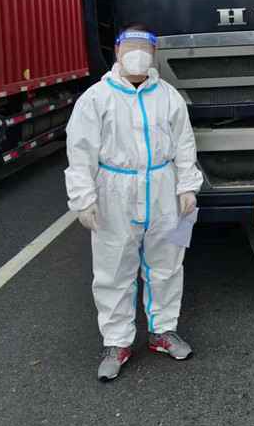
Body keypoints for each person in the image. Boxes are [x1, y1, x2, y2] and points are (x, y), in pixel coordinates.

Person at [65, 24, 203, 381]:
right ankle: (117, 342)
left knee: (167, 264)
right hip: (115, 192)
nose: (138, 55)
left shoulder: (168, 96)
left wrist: (187, 186)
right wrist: (83, 198)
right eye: (131, 47)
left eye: (145, 48)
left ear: (154, 54)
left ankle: (163, 331)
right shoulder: (96, 98)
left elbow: (184, 144)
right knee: (113, 269)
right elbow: (80, 152)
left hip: (162, 189)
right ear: (117, 51)